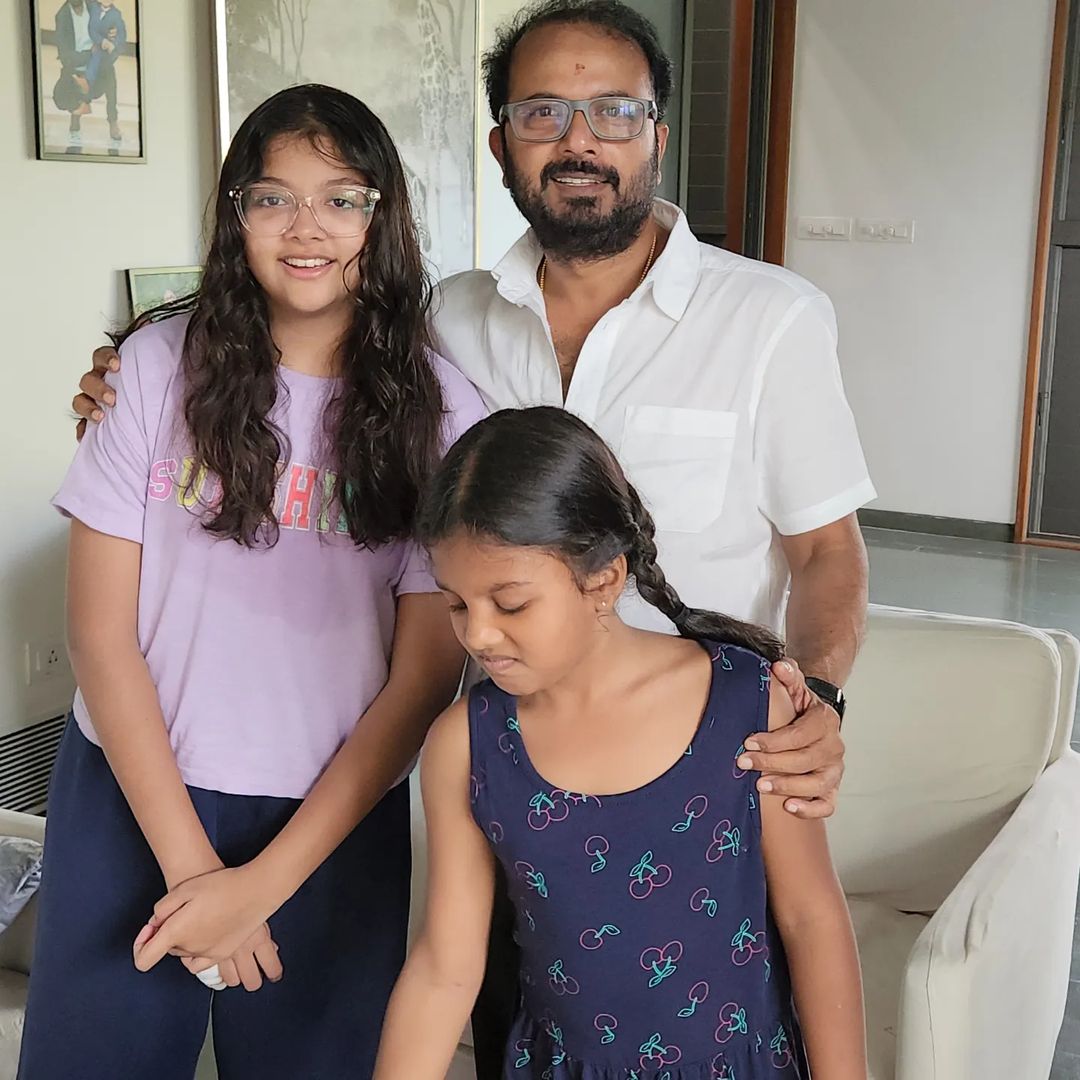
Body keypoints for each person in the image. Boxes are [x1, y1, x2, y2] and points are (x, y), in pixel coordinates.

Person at [68, 3, 874, 1073]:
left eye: (613, 110)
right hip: (510, 777)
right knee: (520, 1025)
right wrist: (126, 375)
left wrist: (816, 702)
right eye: (543, 112)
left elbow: (828, 554)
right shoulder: (447, 325)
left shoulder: (769, 318)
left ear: (657, 132)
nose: (578, 138)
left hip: (702, 777)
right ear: (501, 141)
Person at [21, 84, 485, 1080]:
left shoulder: (445, 415)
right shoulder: (152, 370)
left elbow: (422, 680)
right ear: (236, 214)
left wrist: (261, 886)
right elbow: (99, 634)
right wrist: (196, 871)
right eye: (273, 198)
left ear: (383, 217)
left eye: (342, 199)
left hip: (328, 819)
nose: (305, 227)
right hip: (131, 797)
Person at [374, 406, 867, 1079]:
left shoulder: (749, 705)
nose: (478, 634)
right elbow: (444, 969)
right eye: (457, 603)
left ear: (604, 580)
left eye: (510, 604)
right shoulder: (466, 745)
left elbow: (812, 918)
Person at [52, 0, 121, 146]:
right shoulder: (62, 16)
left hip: (98, 65)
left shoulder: (95, 7)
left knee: (110, 74)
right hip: (75, 67)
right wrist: (89, 54)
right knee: (64, 92)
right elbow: (65, 56)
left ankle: (113, 120)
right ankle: (75, 114)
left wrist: (114, 32)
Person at [84, 0, 127, 106]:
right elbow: (91, 30)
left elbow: (122, 34)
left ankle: (110, 109)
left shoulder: (116, 14)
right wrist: (101, 41)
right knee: (91, 69)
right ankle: (86, 93)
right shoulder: (93, 8)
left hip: (104, 51)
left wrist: (113, 44)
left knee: (107, 76)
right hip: (91, 46)